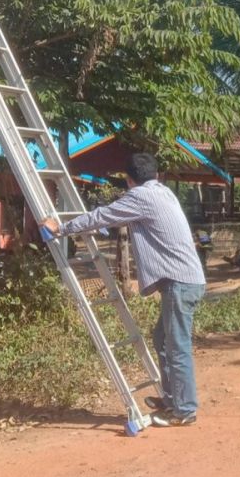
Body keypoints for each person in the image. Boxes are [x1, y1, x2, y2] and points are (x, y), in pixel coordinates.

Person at [40, 153, 206, 427]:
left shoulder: (141, 197)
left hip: (180, 283)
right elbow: (117, 219)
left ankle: (185, 410)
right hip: (184, 280)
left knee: (177, 347)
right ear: (155, 175)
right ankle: (173, 399)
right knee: (162, 340)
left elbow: (104, 215)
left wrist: (61, 228)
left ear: (129, 180)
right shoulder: (162, 192)